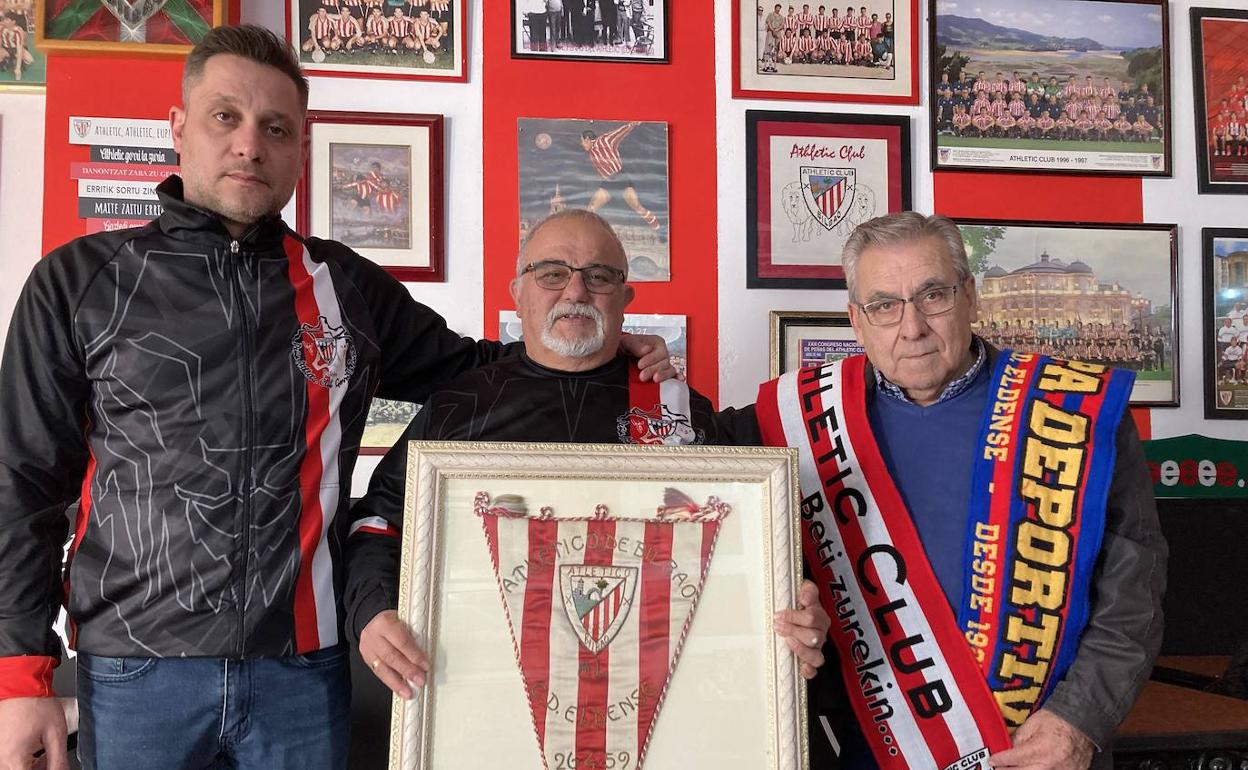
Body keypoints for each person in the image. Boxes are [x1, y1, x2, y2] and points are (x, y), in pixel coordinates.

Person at [0, 25, 674, 770]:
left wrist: (606, 352)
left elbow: (482, 370)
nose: (249, 145)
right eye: (225, 116)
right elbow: (22, 484)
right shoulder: (78, 282)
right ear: (178, 129)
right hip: (134, 670)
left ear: (300, 149)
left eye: (276, 127)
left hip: (302, 670)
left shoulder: (345, 286)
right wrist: (18, 677)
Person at [345, 208, 832, 743]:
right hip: (487, 690)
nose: (576, 290)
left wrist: (793, 599)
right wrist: (370, 611)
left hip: (652, 699)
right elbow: (379, 524)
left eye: (599, 276)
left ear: (625, 300)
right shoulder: (460, 404)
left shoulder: (675, 406)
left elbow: (745, 541)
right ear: (518, 292)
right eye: (552, 273)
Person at [718, 212, 1166, 770]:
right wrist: (630, 366)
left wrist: (1081, 721)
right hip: (871, 750)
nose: (912, 327)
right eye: (884, 305)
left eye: (933, 295)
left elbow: (1133, 594)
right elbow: (667, 472)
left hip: (1039, 749)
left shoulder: (1076, 413)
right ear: (856, 320)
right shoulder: (786, 422)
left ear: (971, 297)